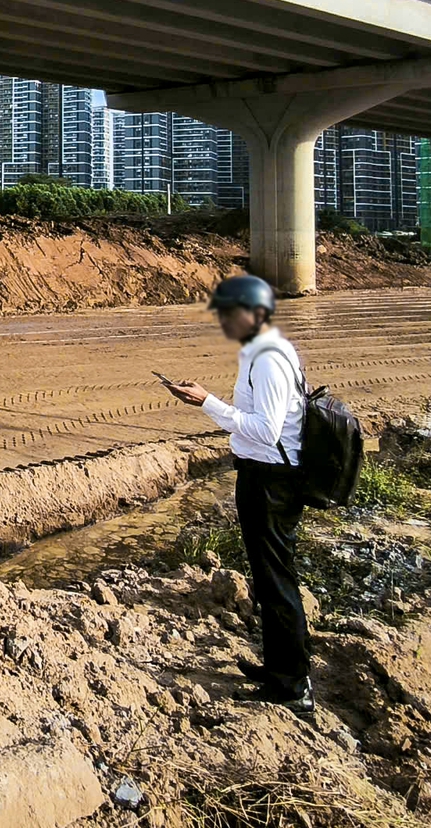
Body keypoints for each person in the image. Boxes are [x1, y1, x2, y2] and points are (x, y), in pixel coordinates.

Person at [165, 274, 313, 718]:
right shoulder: (264, 352)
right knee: (271, 578)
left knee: (276, 580)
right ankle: (279, 669)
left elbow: (266, 431)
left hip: (271, 479)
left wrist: (208, 403)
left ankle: (292, 686)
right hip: (266, 475)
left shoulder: (267, 359)